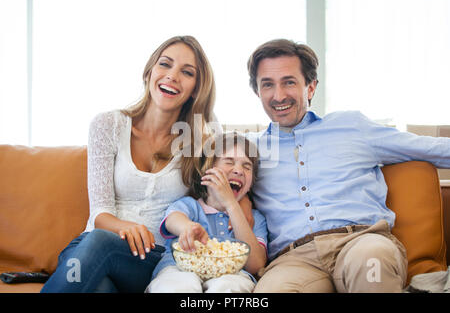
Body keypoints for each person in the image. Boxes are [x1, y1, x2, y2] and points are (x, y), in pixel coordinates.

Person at [245, 38, 450, 293]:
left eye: (289, 82)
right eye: (268, 85)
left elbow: (430, 149)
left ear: (310, 87)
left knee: (371, 264)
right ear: (258, 92)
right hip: (293, 261)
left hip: (361, 242)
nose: (279, 95)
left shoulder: (351, 127)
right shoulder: (247, 152)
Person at [41, 35, 225, 292]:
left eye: (186, 72)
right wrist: (125, 227)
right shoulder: (108, 125)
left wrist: (205, 116)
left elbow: (224, 193)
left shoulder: (198, 143)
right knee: (100, 284)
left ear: (196, 87)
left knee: (100, 245)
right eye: (165, 64)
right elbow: (100, 213)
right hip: (90, 250)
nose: (172, 76)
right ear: (149, 71)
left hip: (151, 259)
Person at [147, 132, 268, 293]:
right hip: (180, 268)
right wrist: (187, 228)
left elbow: (256, 265)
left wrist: (231, 205)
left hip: (232, 274)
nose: (238, 170)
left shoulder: (256, 218)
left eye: (247, 166)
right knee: (179, 285)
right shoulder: (189, 206)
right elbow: (173, 219)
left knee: (229, 286)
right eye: (229, 162)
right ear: (208, 169)